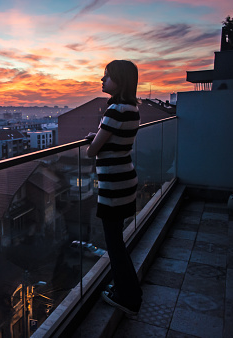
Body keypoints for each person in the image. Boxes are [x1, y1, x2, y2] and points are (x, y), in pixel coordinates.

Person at [85, 60, 142, 316]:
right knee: (117, 240)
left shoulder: (115, 110)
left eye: (106, 77)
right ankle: (126, 290)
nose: (102, 80)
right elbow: (114, 140)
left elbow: (91, 152)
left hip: (114, 185)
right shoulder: (131, 109)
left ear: (119, 80)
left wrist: (94, 141)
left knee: (114, 245)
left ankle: (129, 297)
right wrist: (98, 137)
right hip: (125, 180)